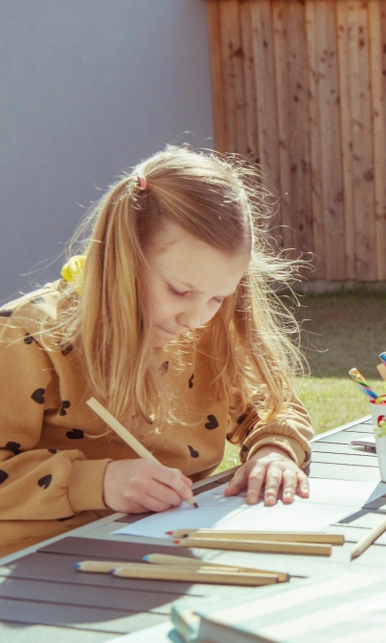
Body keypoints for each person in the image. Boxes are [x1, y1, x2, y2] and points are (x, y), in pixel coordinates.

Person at [0, 146, 314, 558]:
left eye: (218, 297)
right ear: (123, 258)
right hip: (40, 564)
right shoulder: (28, 339)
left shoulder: (204, 330)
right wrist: (98, 482)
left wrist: (274, 449)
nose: (196, 318)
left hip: (160, 550)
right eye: (180, 291)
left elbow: (272, 407)